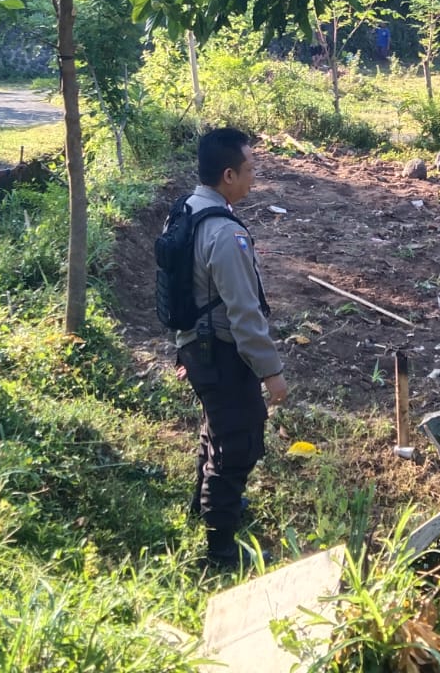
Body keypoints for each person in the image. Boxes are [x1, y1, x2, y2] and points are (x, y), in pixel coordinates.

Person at [177, 127, 288, 570]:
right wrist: (271, 372)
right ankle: (219, 550)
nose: (254, 177)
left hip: (194, 346)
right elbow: (244, 313)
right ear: (228, 175)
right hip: (220, 352)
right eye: (250, 169)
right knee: (237, 444)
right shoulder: (224, 233)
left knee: (217, 430)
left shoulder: (187, 208)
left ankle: (204, 508)